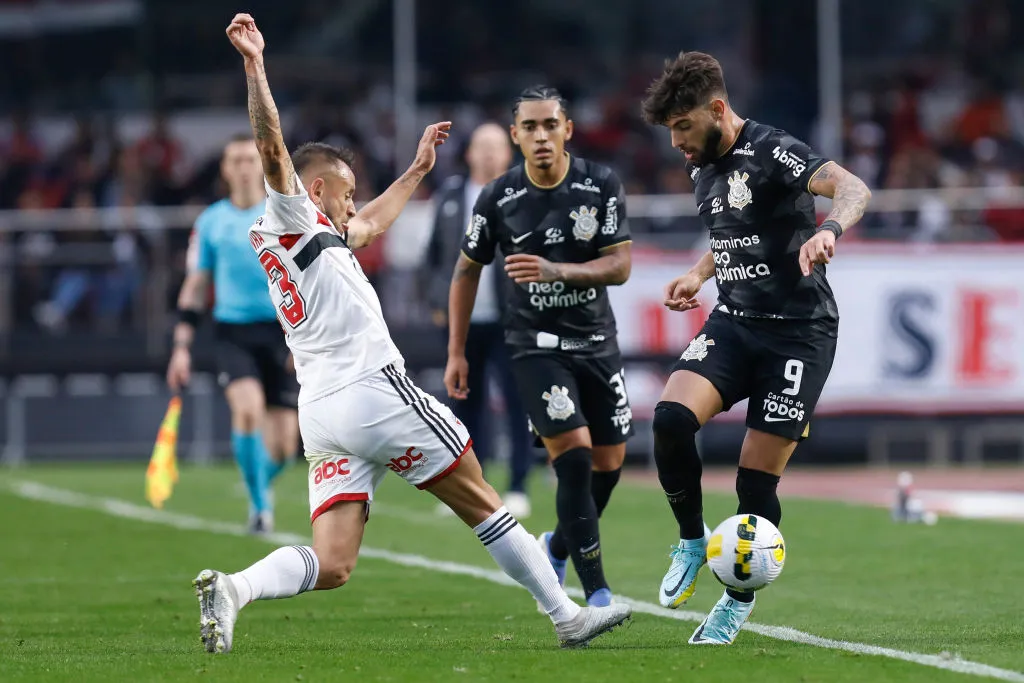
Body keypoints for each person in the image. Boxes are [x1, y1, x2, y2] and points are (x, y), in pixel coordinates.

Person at [193, 14, 631, 655]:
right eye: (343, 194)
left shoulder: (303, 237)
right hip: (371, 390)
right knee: (480, 495)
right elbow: (272, 148)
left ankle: (235, 588)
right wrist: (256, 65)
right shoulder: (290, 210)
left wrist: (419, 169)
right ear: (316, 191)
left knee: (335, 562)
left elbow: (367, 225)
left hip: (323, 410)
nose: (351, 205)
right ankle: (565, 614)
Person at [639, 51, 871, 644]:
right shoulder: (702, 164)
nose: (677, 144)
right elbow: (733, 233)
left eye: (684, 128)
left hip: (798, 334)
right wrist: (697, 274)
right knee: (668, 420)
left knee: (753, 485)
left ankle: (736, 602)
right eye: (671, 132)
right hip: (735, 322)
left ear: (717, 109)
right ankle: (692, 542)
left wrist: (828, 229)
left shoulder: (773, 149)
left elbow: (852, 187)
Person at [445, 86, 634, 609]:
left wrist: (558, 270)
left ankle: (555, 542)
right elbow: (465, 272)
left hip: (596, 342)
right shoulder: (499, 197)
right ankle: (595, 592)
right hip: (532, 346)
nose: (541, 135)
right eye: (529, 127)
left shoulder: (600, 184)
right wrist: (456, 351)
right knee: (572, 458)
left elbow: (619, 266)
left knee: (609, 464)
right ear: (515, 136)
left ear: (567, 129)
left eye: (550, 124)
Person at [167, 133, 298, 534]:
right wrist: (181, 346)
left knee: (285, 449)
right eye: (235, 160)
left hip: (281, 334)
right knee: (247, 410)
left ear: (261, 165)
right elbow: (195, 283)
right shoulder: (210, 222)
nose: (243, 167)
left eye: (249, 159)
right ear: (225, 169)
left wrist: (304, 336)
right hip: (232, 333)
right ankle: (260, 510)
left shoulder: (282, 216)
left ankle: (259, 484)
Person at [424, 122, 534, 519]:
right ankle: (473, 488)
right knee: (463, 405)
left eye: (496, 146)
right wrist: (438, 302)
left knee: (517, 400)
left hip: (512, 320)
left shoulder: (526, 193)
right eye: (481, 146)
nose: (488, 153)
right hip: (463, 322)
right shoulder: (451, 195)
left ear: (509, 153)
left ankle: (519, 484)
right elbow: (434, 255)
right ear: (469, 153)